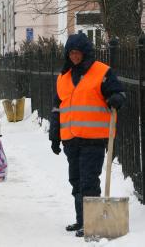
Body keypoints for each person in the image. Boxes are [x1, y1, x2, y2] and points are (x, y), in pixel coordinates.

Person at [49, 33, 126, 237]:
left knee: (88, 181)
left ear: (85, 53)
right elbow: (57, 108)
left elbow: (118, 91)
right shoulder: (63, 78)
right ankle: (82, 219)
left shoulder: (101, 72)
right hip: (71, 139)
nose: (74, 56)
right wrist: (55, 135)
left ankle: (92, 223)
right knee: (75, 180)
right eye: (71, 53)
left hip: (94, 138)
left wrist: (116, 98)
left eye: (78, 52)